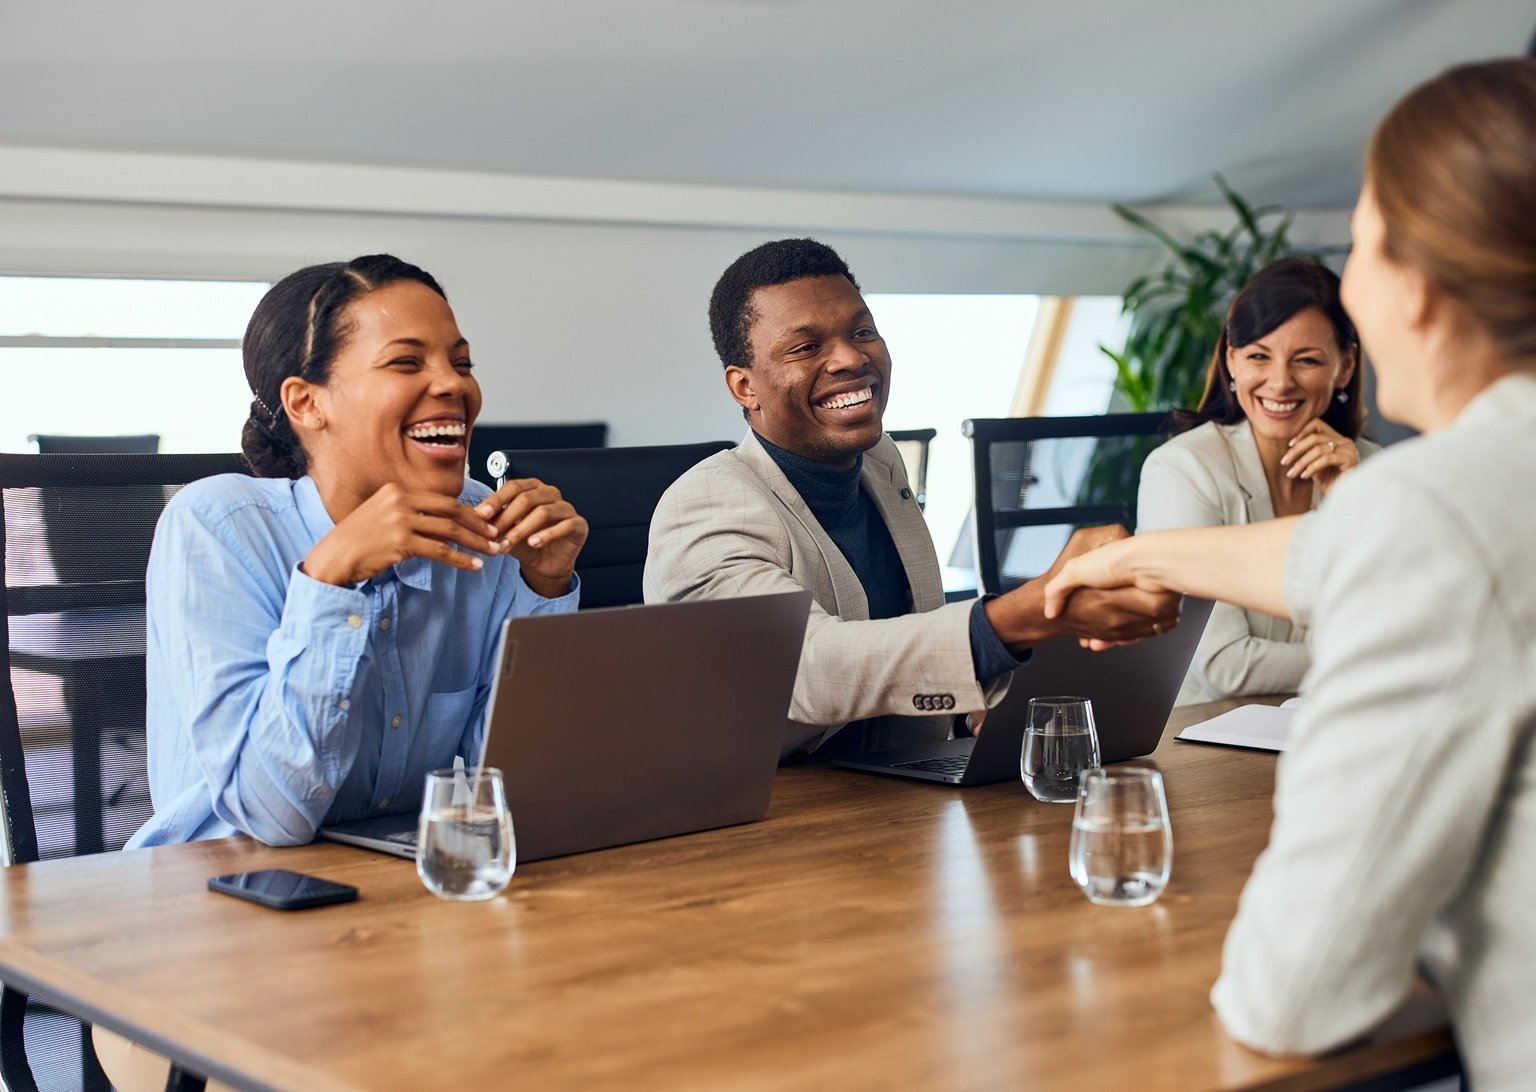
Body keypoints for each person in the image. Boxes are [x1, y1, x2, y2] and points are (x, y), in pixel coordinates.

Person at [1042, 60, 1536, 1082]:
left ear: (1416, 290)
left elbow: (1295, 990)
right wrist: (1143, 551)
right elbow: (1344, 559)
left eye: (1359, 243)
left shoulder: (1438, 508)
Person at [644, 238, 1179, 760]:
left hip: (897, 782)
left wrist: (967, 710)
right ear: (745, 387)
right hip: (776, 803)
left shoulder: (880, 461)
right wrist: (1024, 615)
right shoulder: (706, 503)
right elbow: (798, 667)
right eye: (807, 348)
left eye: (862, 332)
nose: (850, 358)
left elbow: (898, 638)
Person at [128, 254, 587, 849]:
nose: (454, 384)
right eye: (406, 362)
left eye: (461, 362)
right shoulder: (219, 524)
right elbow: (272, 815)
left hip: (397, 876)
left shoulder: (481, 521)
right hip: (221, 881)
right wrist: (329, 580)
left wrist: (543, 588)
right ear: (307, 403)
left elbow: (508, 792)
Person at [1138, 257, 1377, 702]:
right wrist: (1373, 659)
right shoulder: (1183, 470)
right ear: (1231, 359)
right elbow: (1226, 667)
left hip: (1333, 719)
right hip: (1204, 731)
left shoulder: (1368, 470)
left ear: (1344, 367)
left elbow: (1409, 619)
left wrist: (1353, 501)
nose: (1280, 382)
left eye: (1307, 360)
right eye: (1258, 357)